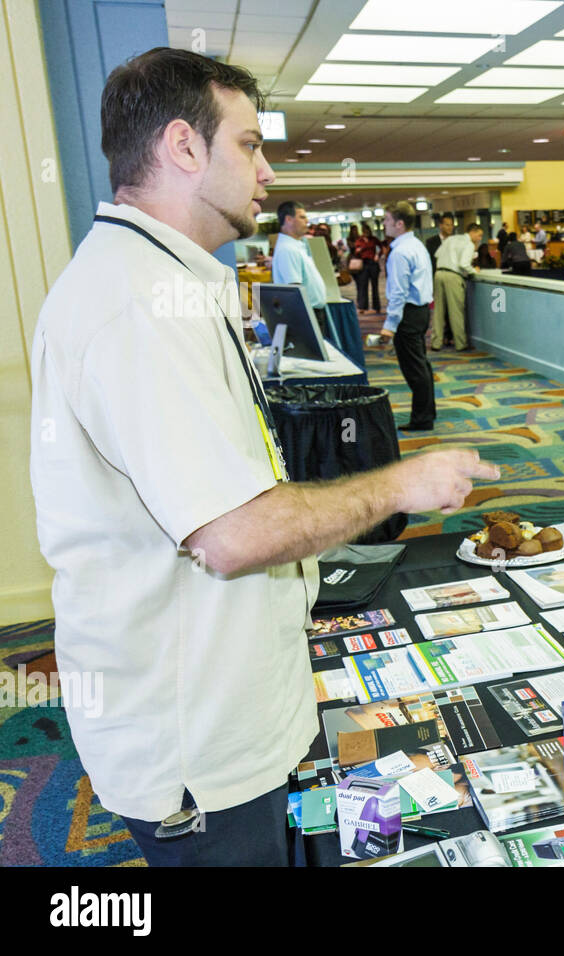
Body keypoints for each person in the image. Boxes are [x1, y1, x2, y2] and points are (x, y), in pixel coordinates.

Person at [28, 47, 498, 866]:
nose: (268, 169)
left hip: (222, 697)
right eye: (248, 144)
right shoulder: (138, 305)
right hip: (195, 741)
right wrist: (403, 481)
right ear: (183, 147)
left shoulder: (163, 281)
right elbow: (232, 534)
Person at [378, 201, 437, 430]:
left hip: (408, 314)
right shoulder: (417, 245)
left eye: (387, 220)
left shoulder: (400, 252)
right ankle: (427, 413)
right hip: (421, 311)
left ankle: (422, 419)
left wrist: (389, 325)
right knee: (421, 365)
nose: (384, 224)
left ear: (399, 224)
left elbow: (399, 293)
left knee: (414, 369)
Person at [270, 199, 329, 328]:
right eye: (302, 217)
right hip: (305, 315)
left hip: (311, 313)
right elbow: (294, 290)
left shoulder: (295, 245)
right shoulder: (288, 249)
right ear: (288, 219)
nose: (306, 221)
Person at [433, 221, 482, 352]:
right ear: (472, 232)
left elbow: (437, 255)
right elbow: (464, 264)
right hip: (453, 276)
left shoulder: (451, 239)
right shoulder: (468, 244)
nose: (479, 238)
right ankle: (460, 343)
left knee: (438, 311)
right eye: (479, 235)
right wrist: (474, 271)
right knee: (456, 312)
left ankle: (436, 343)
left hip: (438, 274)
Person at [353, 223, 381, 313]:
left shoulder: (374, 239)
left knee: (375, 286)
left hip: (373, 263)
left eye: (368, 231)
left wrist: (378, 255)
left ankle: (376, 307)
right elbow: (356, 252)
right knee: (363, 286)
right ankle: (363, 307)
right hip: (364, 264)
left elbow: (381, 247)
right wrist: (359, 250)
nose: (366, 233)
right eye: (365, 232)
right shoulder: (359, 240)